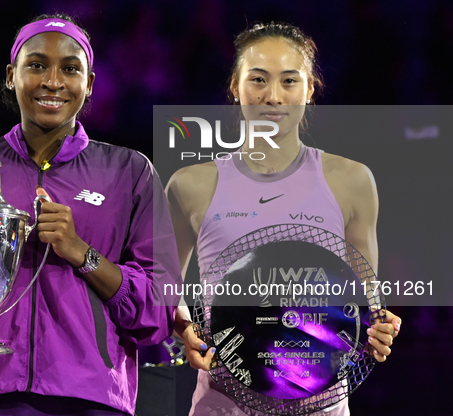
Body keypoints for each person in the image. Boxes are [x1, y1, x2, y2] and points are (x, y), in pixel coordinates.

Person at [0, 13, 180, 416]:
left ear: (89, 84)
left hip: (89, 399)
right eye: (36, 65)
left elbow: (157, 312)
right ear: (12, 75)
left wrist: (79, 251)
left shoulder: (129, 172)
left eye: (70, 69)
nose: (53, 81)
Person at [166, 22, 402, 415]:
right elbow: (162, 285)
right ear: (235, 87)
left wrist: (379, 327)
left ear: (309, 90)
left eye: (289, 81)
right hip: (222, 402)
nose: (272, 96)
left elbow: (364, 297)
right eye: (258, 79)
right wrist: (183, 327)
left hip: (321, 404)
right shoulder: (190, 185)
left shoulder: (352, 181)